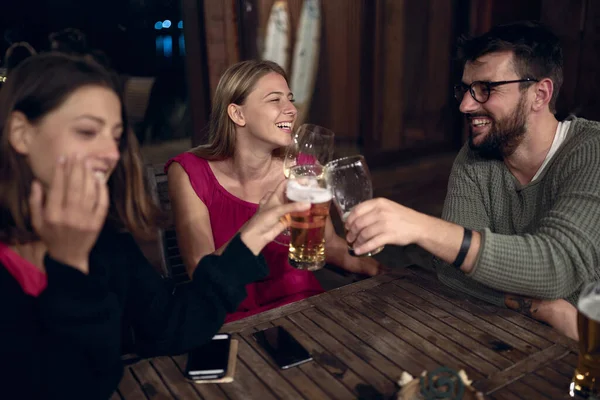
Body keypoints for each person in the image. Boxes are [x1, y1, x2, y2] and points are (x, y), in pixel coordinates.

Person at [0, 53, 310, 399]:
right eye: (87, 131)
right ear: (21, 133)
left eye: (115, 137)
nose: (109, 154)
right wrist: (70, 269)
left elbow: (172, 327)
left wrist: (253, 234)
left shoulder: (105, 241)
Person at [344, 21, 600, 340]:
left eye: (485, 89)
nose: (465, 104)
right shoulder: (475, 155)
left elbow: (555, 266)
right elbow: (454, 276)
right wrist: (548, 309)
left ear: (540, 94)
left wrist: (422, 227)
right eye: (465, 89)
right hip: (518, 336)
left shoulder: (591, 150)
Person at [167, 60, 381, 322]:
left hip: (303, 309)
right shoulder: (190, 172)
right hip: (230, 318)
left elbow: (327, 244)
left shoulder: (303, 168)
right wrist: (260, 224)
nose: (291, 109)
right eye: (275, 100)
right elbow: (199, 270)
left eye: (290, 99)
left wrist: (374, 267)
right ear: (238, 114)